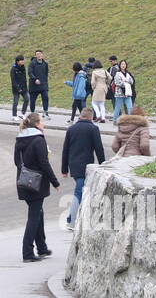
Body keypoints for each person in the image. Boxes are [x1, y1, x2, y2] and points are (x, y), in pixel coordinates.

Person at [15, 112, 59, 262]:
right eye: (42, 121)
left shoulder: (20, 138)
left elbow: (16, 161)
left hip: (23, 181)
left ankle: (42, 248)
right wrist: (55, 182)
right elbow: (44, 163)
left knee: (38, 213)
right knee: (34, 217)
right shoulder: (38, 140)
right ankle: (27, 252)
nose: (44, 124)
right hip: (36, 182)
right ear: (37, 124)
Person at [60, 107, 105, 229]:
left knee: (83, 191)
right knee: (79, 192)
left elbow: (65, 150)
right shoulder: (93, 129)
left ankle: (82, 218)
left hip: (73, 165)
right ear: (91, 117)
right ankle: (72, 220)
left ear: (81, 116)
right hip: (86, 165)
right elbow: (99, 149)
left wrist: (64, 169)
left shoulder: (71, 129)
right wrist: (103, 165)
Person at [28, 50, 50, 117]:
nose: (39, 55)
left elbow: (46, 73)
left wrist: (45, 82)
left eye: (40, 54)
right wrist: (35, 79)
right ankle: (32, 113)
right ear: (35, 56)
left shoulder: (45, 63)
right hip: (34, 85)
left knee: (45, 97)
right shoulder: (32, 63)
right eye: (37, 54)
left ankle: (45, 112)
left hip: (43, 85)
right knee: (32, 100)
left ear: (42, 55)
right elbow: (30, 73)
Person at [10, 54, 29, 119]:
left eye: (23, 60)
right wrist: (18, 88)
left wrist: (26, 88)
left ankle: (23, 114)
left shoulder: (23, 67)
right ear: (18, 61)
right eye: (22, 60)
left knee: (27, 99)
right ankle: (14, 115)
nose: (23, 61)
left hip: (24, 88)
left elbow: (24, 79)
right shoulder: (13, 68)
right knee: (16, 102)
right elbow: (13, 80)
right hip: (16, 88)